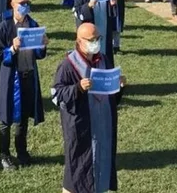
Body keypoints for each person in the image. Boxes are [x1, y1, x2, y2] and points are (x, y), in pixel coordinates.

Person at [51, 23, 125, 193]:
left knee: (101, 166)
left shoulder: (104, 60)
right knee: (78, 171)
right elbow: (57, 95)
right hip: (81, 127)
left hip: (102, 124)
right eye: (91, 40)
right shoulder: (68, 66)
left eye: (97, 38)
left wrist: (119, 86)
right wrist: (77, 88)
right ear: (79, 41)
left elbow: (111, 96)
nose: (95, 42)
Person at [0, 0, 48, 170]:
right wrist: (12, 49)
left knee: (23, 117)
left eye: (27, 2)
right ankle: (4, 154)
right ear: (12, 4)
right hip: (10, 79)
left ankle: (21, 151)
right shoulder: (4, 26)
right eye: (21, 3)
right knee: (5, 118)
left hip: (28, 76)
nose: (25, 6)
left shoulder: (32, 24)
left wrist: (43, 45)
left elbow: (39, 55)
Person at [74, 0, 117, 67]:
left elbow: (110, 12)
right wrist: (88, 6)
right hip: (91, 30)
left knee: (105, 52)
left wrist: (112, 4)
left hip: (104, 28)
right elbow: (77, 12)